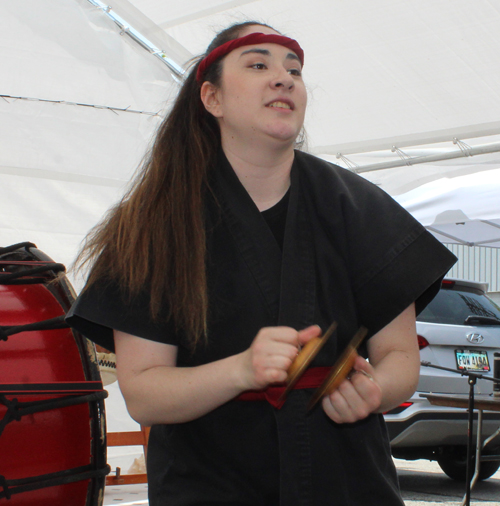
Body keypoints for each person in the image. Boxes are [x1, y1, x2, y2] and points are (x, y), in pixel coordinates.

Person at [67, 21, 457, 506]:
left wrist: (373, 389)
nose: (285, 78)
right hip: (209, 487)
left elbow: (401, 358)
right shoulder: (151, 225)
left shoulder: (359, 207)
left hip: (348, 486)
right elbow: (145, 395)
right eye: (258, 64)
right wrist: (242, 370)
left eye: (293, 69)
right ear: (212, 99)